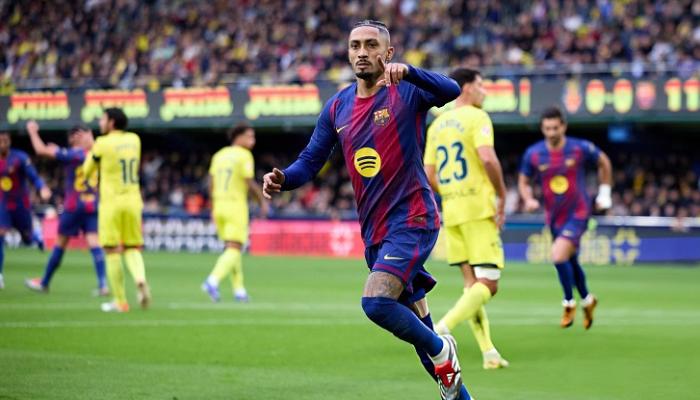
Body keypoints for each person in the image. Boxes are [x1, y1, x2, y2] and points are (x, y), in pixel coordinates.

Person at [263, 20, 473, 400]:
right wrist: (284, 179)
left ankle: (443, 347)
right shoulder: (338, 106)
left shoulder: (406, 90)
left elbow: (451, 89)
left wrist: (410, 71)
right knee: (419, 331)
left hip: (413, 219)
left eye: (371, 45)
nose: (362, 52)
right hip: (375, 233)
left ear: (387, 53)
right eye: (355, 45)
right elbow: (311, 160)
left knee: (376, 302)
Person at [423, 68, 509, 369]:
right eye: (481, 85)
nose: (485, 91)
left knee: (471, 283)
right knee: (490, 282)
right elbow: (487, 157)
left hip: (452, 209)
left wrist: (450, 192)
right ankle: (441, 328)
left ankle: (489, 353)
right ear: (468, 88)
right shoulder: (477, 117)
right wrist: (501, 194)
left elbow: (429, 173)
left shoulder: (437, 125)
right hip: (477, 207)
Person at [518, 106, 612, 329]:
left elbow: (604, 162)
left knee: (558, 255)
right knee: (570, 260)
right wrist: (528, 199)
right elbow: (523, 181)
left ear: (564, 127)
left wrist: (605, 193)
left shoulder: (579, 148)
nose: (551, 132)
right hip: (554, 217)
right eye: (547, 128)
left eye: (555, 128)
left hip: (579, 212)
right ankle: (588, 299)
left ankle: (569, 302)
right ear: (542, 129)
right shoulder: (533, 154)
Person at [24, 121, 107, 295]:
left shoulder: (73, 154)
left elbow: (41, 150)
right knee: (94, 242)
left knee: (60, 243)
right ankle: (103, 285)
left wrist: (32, 132)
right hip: (92, 203)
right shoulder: (97, 153)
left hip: (73, 205)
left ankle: (44, 282)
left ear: (76, 137)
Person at [82, 108, 150, 312]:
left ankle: (120, 301)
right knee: (132, 247)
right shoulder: (135, 140)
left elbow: (86, 171)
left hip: (111, 203)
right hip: (133, 201)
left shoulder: (102, 143)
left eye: (102, 119)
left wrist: (90, 148)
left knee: (112, 250)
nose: (100, 122)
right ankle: (140, 278)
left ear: (111, 122)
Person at [202, 122, 268, 302]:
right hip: (235, 205)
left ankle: (239, 290)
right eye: (249, 136)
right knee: (235, 248)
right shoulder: (244, 155)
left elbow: (211, 183)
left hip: (219, 205)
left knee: (231, 248)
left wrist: (213, 207)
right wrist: (262, 201)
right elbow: (249, 182)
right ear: (238, 137)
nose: (253, 140)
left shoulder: (219, 155)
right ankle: (212, 280)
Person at [0, 130, 51, 289]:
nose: (3, 143)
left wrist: (42, 187)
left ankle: (36, 237)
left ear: (9, 141)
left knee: (27, 238)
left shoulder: (19, 157)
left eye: (5, 140)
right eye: (0, 140)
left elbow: (33, 176)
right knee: (1, 233)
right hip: (2, 204)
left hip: (20, 204)